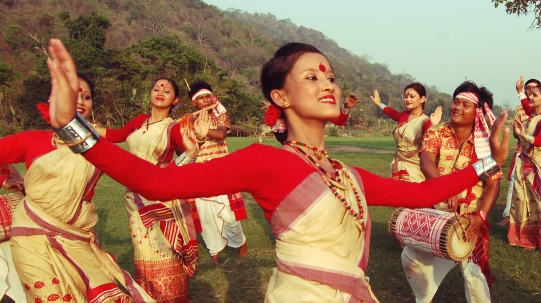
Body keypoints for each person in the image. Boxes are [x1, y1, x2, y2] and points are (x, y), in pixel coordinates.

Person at [44, 39, 511, 303]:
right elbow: (158, 181)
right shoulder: (266, 161)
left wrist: (489, 160)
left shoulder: (347, 174)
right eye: (311, 76)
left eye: (329, 73)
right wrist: (72, 126)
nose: (327, 81)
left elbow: (416, 195)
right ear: (280, 99)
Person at [0, 73, 154, 302]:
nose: (80, 101)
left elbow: (142, 174)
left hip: (78, 237)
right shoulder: (32, 140)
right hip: (32, 237)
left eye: (86, 96)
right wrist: (6, 178)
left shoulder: (97, 146)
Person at [93, 78, 206, 303]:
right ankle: (149, 297)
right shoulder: (138, 121)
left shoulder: (173, 128)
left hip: (161, 199)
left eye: (167, 90)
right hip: (135, 198)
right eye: (156, 88)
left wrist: (200, 140)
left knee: (165, 251)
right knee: (143, 251)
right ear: (150, 94)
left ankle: (173, 297)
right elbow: (115, 136)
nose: (160, 92)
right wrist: (79, 126)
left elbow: (189, 158)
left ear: (175, 100)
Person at [400, 81, 501, 303]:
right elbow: (426, 162)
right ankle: (423, 298)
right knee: (412, 256)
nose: (457, 107)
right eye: (456, 102)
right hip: (437, 209)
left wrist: (480, 217)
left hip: (470, 216)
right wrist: (444, 188)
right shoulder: (437, 132)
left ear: (479, 112)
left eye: (465, 104)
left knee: (473, 274)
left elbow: (493, 185)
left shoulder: (485, 144)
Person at [187, 81, 249, 265]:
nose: (206, 101)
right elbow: (183, 148)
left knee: (228, 213)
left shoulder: (221, 117)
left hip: (221, 171)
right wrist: (187, 125)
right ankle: (215, 249)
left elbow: (221, 135)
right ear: (194, 103)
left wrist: (199, 128)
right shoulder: (188, 120)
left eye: (208, 96)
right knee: (205, 214)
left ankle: (241, 243)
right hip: (198, 171)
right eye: (200, 98)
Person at [499, 78, 541, 227]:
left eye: (534, 94)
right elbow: (526, 106)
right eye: (529, 92)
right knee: (523, 192)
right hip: (527, 157)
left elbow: (540, 140)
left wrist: (524, 135)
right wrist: (519, 92)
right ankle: (526, 229)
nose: (530, 96)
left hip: (539, 161)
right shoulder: (534, 114)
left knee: (540, 195)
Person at [369, 84, 442, 182]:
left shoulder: (425, 121)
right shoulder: (404, 115)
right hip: (398, 165)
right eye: (406, 96)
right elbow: (393, 113)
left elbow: (432, 141)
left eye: (412, 96)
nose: (407, 99)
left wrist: (433, 126)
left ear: (422, 99)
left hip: (414, 170)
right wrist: (379, 104)